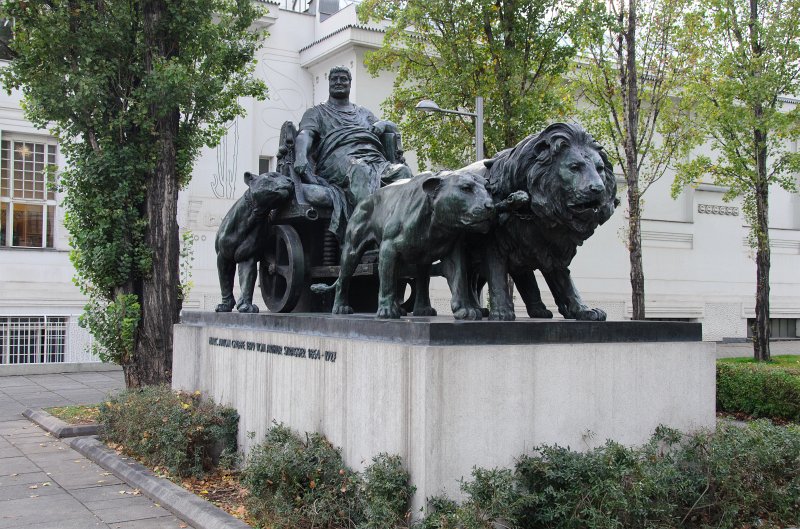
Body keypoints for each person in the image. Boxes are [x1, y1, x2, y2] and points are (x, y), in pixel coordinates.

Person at [293, 66, 412, 240]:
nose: (338, 82)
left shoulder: (364, 113)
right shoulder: (317, 112)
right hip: (338, 161)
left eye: (343, 79)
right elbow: (305, 134)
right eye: (334, 79)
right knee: (359, 171)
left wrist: (384, 123)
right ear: (329, 83)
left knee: (403, 172)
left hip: (374, 159)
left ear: (350, 83)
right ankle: (365, 236)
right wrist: (301, 156)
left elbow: (391, 128)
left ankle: (403, 232)